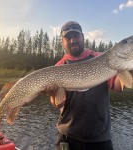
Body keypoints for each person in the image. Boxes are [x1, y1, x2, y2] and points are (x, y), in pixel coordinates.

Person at [48, 21, 124, 150]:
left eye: (76, 36)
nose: (72, 40)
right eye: (68, 38)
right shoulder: (59, 67)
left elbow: (118, 87)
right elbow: (57, 104)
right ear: (62, 41)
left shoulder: (102, 59)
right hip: (67, 137)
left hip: (99, 138)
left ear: (82, 37)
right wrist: (52, 94)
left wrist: (128, 69)